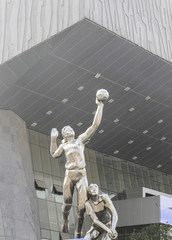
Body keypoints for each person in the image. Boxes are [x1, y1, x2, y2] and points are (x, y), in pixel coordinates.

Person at [50, 98, 104, 238]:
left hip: (81, 175)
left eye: (71, 128)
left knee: (81, 208)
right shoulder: (64, 145)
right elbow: (54, 154)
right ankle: (65, 219)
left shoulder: (80, 140)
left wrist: (99, 106)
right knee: (67, 203)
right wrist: (53, 139)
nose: (70, 129)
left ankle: (78, 232)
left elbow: (94, 125)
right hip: (70, 175)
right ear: (64, 135)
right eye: (66, 129)